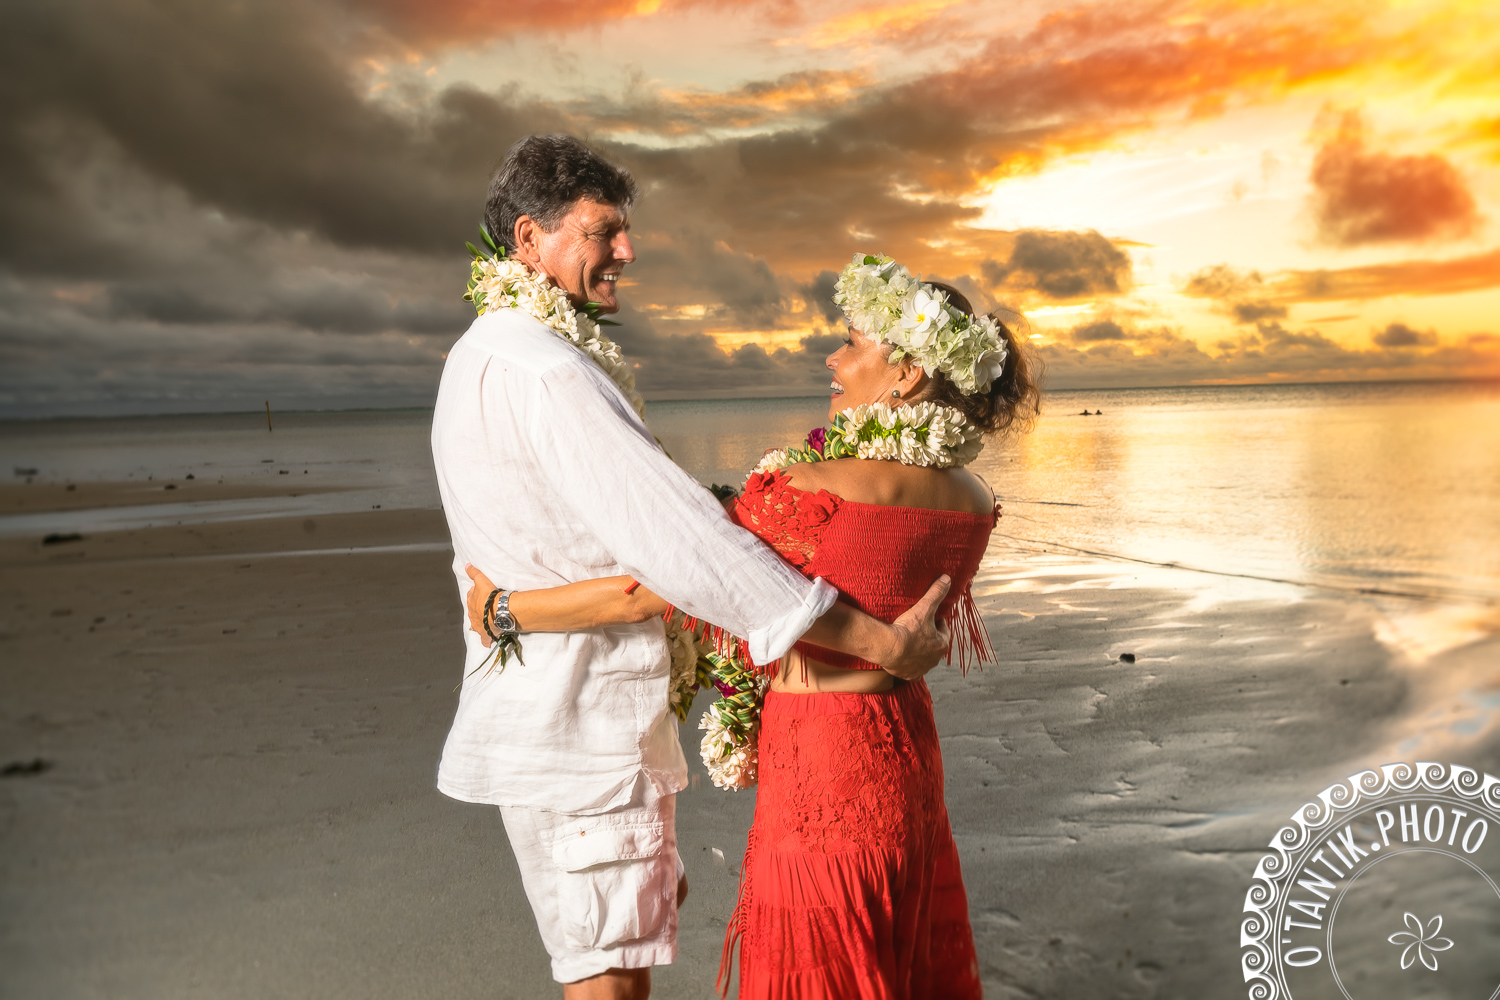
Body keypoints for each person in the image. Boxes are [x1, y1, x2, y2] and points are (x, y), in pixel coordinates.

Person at [431, 136, 954, 1000]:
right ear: (529, 239)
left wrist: (506, 610)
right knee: (608, 980)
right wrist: (878, 642)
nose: (627, 250)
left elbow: (521, 551)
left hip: (547, 723)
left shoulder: (478, 356)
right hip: (584, 733)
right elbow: (681, 546)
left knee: (621, 940)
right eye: (604, 231)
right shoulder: (550, 371)